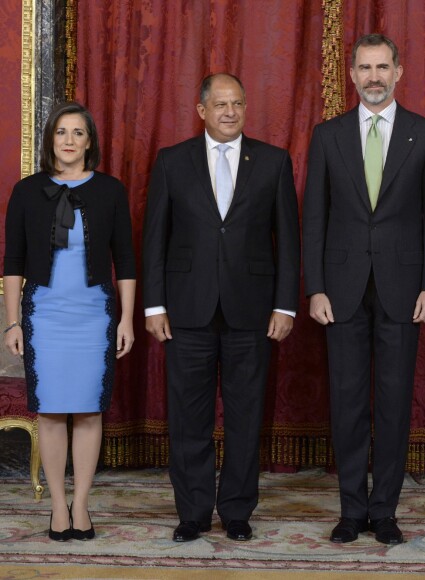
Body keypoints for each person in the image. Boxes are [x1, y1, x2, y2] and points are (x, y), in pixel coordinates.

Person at [302, 34, 425, 544]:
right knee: (347, 402)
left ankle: (384, 511)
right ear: (351, 73)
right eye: (364, 68)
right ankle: (351, 510)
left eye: (382, 67)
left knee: (392, 402)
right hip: (340, 289)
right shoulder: (327, 136)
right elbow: (313, 220)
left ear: (399, 71)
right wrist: (315, 287)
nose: (373, 77)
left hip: (404, 289)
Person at [142, 73, 300, 543]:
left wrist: (285, 307)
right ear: (201, 110)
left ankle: (236, 510)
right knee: (189, 415)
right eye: (221, 104)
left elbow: (288, 241)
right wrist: (154, 305)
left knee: (246, 413)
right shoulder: (172, 162)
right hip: (186, 311)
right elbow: (155, 239)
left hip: (251, 312)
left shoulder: (272, 162)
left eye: (237, 104)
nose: (230, 112)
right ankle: (191, 511)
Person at [3, 101, 136, 541]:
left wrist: (127, 320)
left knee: (89, 411)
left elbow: (127, 262)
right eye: (61, 132)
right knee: (52, 413)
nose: (69, 141)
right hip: (44, 316)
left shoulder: (111, 191)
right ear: (50, 141)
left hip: (94, 317)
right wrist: (12, 323)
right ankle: (58, 506)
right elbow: (13, 262)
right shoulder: (26, 191)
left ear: (90, 142)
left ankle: (82, 505)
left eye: (78, 133)